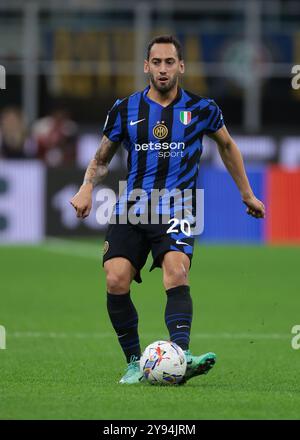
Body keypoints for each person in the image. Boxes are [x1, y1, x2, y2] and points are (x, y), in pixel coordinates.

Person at [70, 35, 265, 384]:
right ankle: (134, 362)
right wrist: (86, 187)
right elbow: (102, 158)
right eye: (156, 63)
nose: (162, 69)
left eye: (169, 62)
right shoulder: (125, 108)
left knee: (176, 272)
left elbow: (228, 145)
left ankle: (181, 356)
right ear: (146, 66)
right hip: (133, 206)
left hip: (178, 206)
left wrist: (247, 193)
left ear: (181, 66)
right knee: (116, 279)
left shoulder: (203, 108)